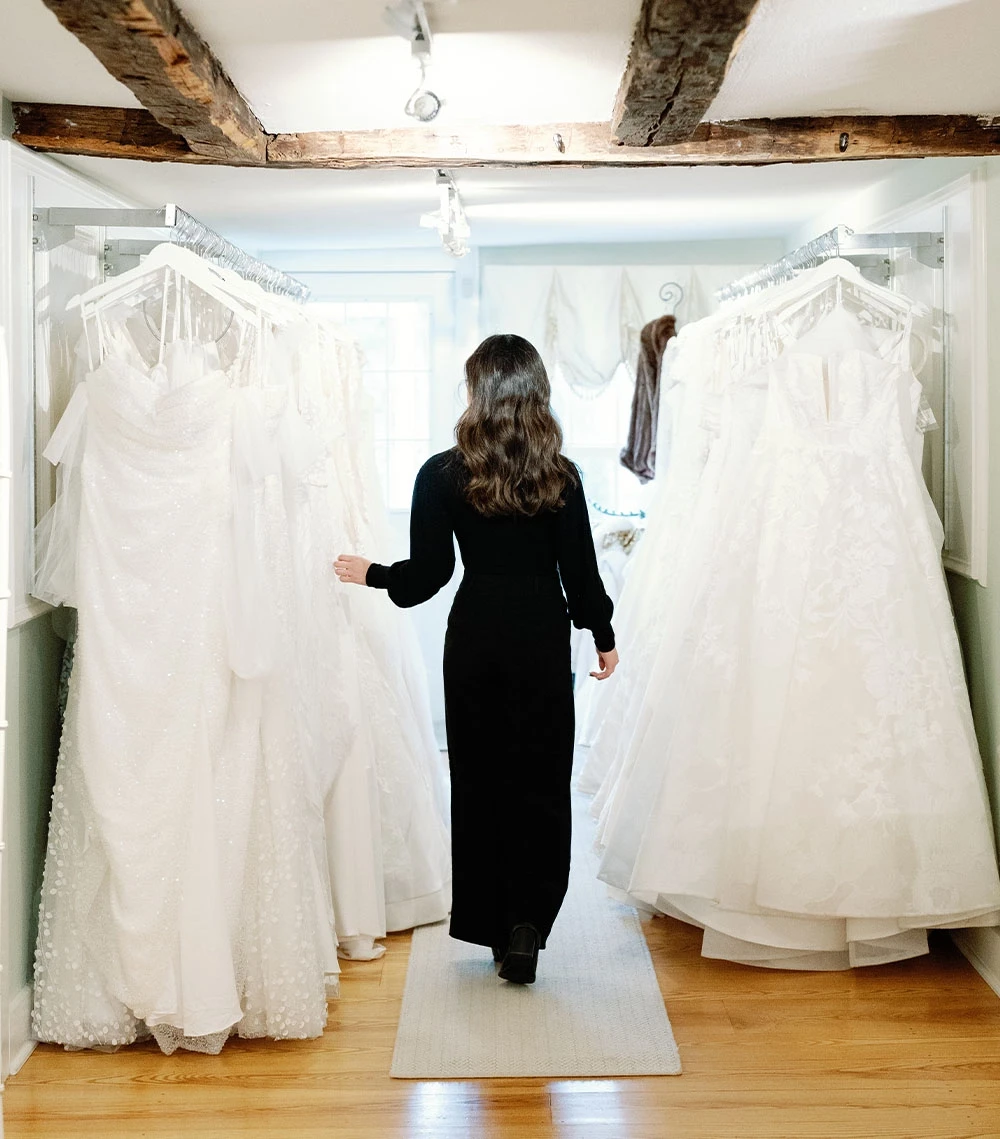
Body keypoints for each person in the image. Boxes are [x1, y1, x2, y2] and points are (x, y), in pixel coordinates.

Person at [334, 333, 617, 985]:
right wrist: (602, 635)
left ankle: (495, 925)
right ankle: (528, 925)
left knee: (483, 785)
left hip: (476, 641)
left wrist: (371, 573)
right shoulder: (561, 474)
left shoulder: (441, 472)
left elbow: (428, 576)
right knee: (542, 785)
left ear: (476, 392)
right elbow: (581, 573)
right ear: (536, 392)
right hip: (542, 640)